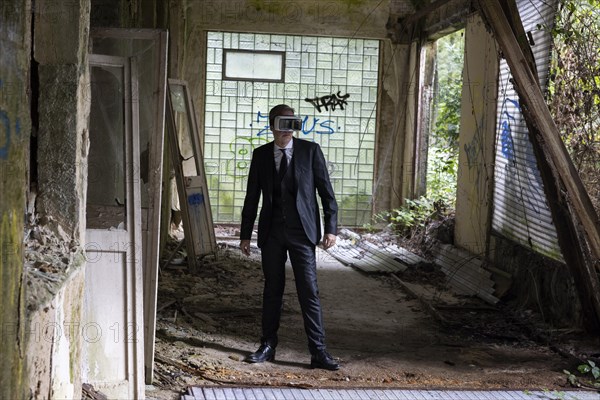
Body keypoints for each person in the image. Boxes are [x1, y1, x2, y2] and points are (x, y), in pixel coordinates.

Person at [239, 104, 340, 371]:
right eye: (281, 124)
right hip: (272, 232)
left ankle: (318, 351)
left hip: (301, 232)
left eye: (291, 123)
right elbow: (252, 197)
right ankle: (268, 345)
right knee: (272, 290)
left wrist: (331, 228)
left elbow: (326, 192)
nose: (286, 130)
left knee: (309, 291)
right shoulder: (260, 155)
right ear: (272, 126)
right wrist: (245, 235)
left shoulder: (310, 151)